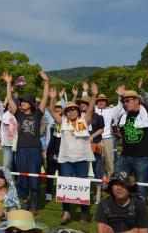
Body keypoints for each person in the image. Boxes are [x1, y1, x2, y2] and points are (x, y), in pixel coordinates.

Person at [48, 84, 98, 224]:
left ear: (78, 111)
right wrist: (52, 99)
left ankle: (83, 213)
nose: (71, 112)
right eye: (68, 110)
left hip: (82, 158)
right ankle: (66, 212)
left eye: (74, 109)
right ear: (66, 113)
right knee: (66, 186)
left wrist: (94, 95)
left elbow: (91, 109)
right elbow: (52, 111)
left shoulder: (84, 121)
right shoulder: (63, 122)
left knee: (82, 186)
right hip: (66, 159)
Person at [3, 71, 49, 215]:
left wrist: (46, 82)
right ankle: (25, 201)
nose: (22, 103)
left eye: (25, 101)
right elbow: (10, 99)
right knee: (22, 176)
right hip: (21, 149)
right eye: (21, 101)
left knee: (34, 176)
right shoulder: (18, 114)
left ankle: (34, 203)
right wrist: (8, 83)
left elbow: (45, 98)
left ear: (31, 104)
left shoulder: (38, 114)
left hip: (35, 149)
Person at [115, 67, 148, 203]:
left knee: (142, 190)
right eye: (124, 101)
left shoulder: (146, 112)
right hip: (124, 156)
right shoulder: (123, 116)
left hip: (142, 158)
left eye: (128, 100)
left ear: (137, 100)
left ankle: (141, 216)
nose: (125, 103)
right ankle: (121, 209)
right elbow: (121, 133)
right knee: (118, 183)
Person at [76, 95, 105, 204]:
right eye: (81, 103)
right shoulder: (79, 117)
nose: (81, 104)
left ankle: (98, 194)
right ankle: (82, 193)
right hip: (82, 146)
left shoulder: (98, 116)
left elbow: (102, 129)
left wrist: (92, 136)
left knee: (97, 169)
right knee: (81, 168)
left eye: (84, 103)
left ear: (89, 105)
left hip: (95, 145)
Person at [44, 88, 66, 201]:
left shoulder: (66, 120)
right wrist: (52, 98)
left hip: (63, 149)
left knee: (62, 172)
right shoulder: (50, 118)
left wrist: (61, 98)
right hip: (52, 148)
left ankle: (61, 193)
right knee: (50, 172)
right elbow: (48, 109)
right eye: (56, 108)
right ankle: (48, 192)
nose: (57, 110)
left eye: (59, 108)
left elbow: (66, 106)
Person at [0, 81, 18, 171]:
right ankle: (8, 184)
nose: (10, 106)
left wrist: (12, 91)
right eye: (8, 104)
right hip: (7, 146)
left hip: (19, 145)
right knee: (6, 167)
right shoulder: (4, 113)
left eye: (12, 104)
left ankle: (19, 184)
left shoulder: (20, 115)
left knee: (17, 168)